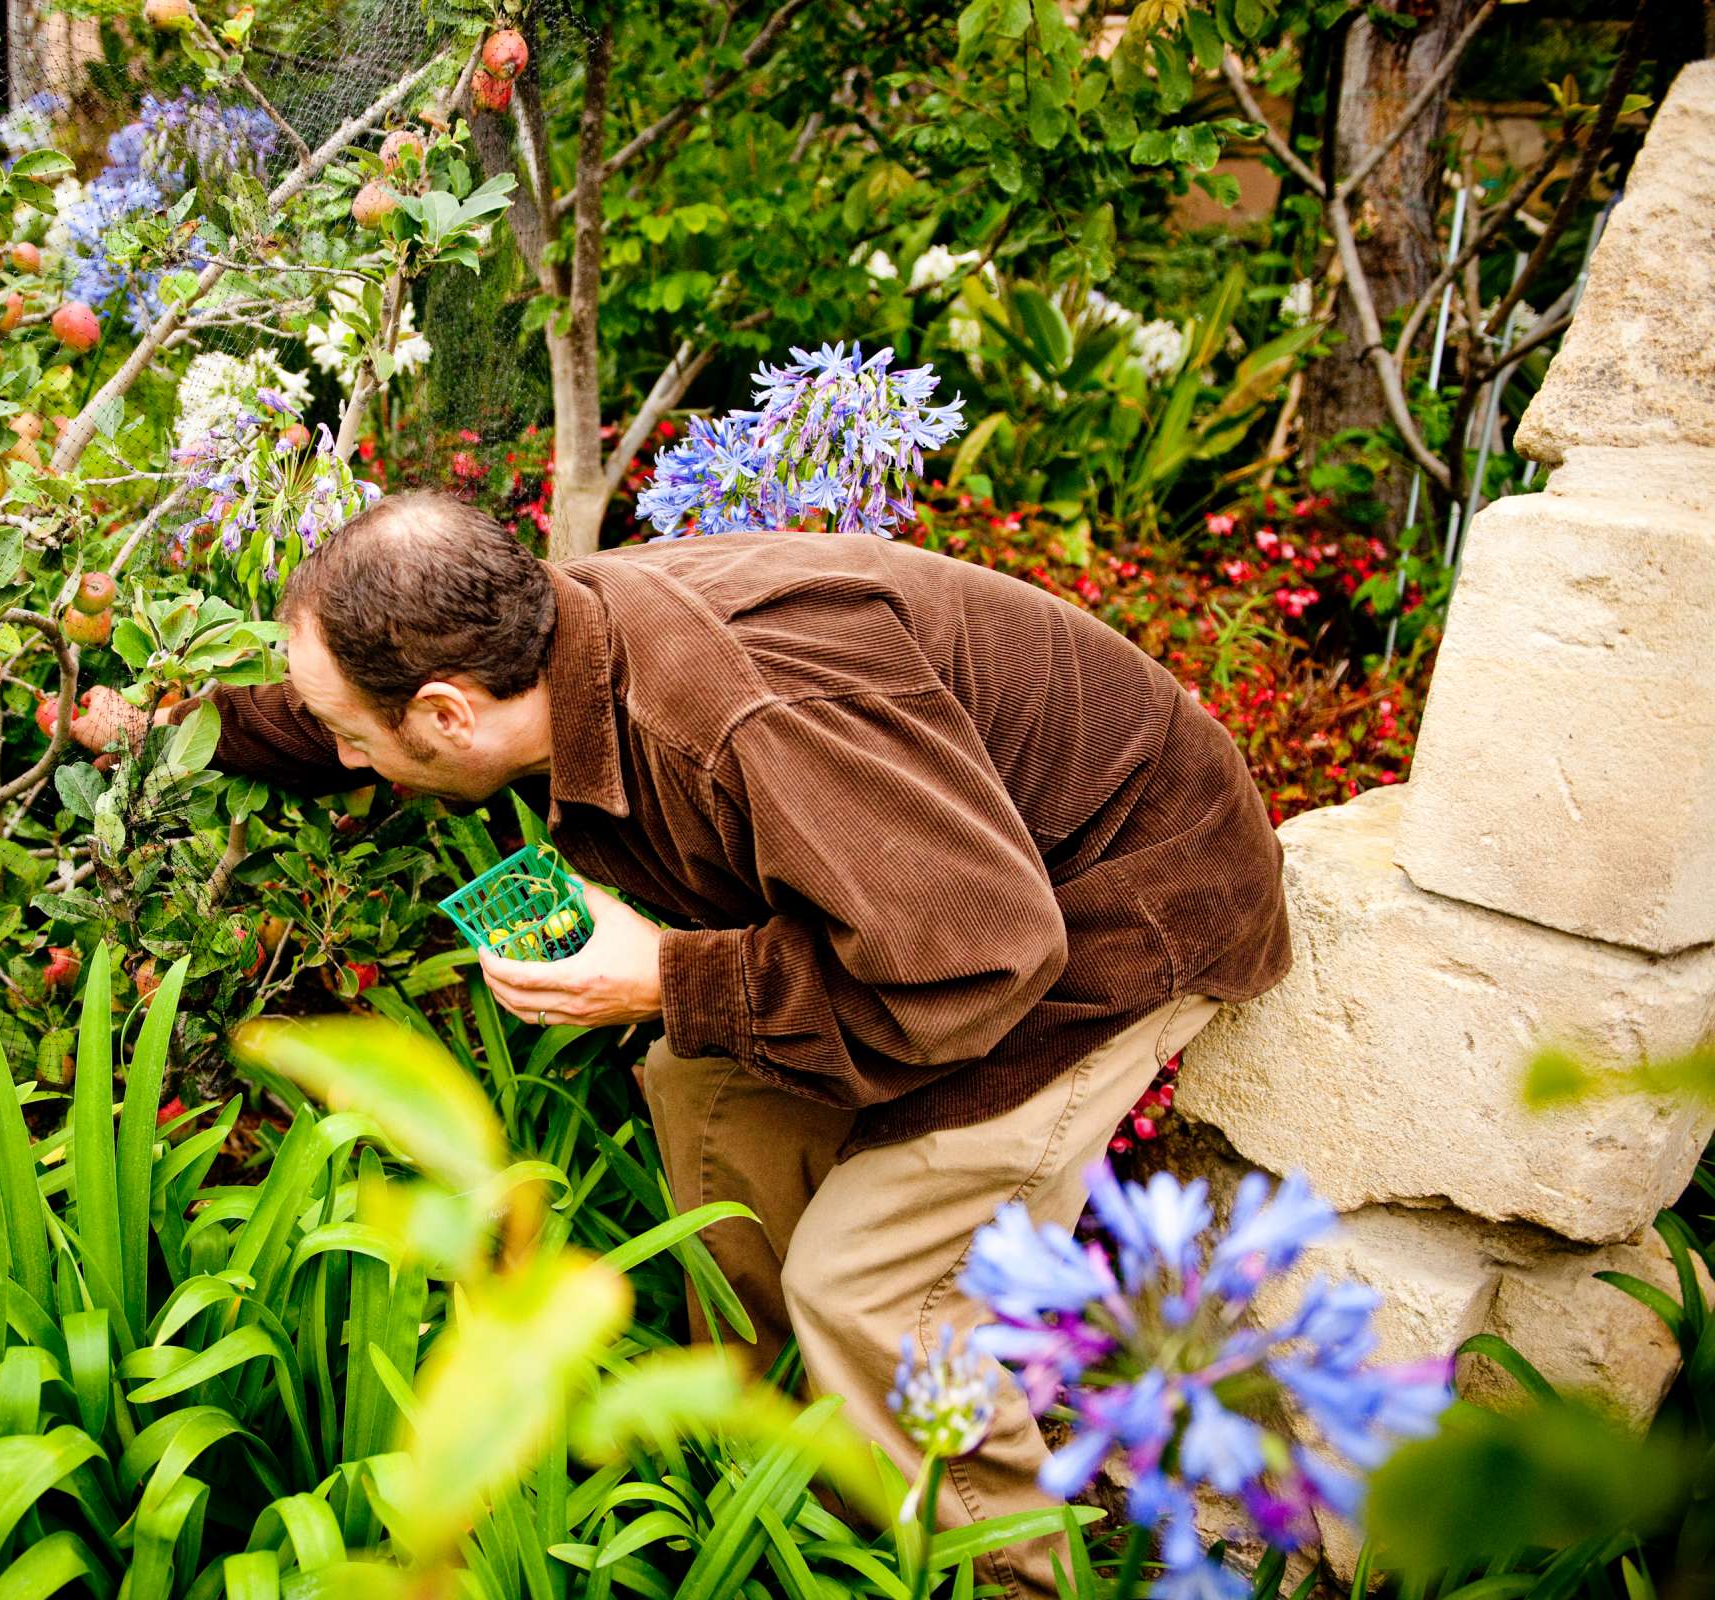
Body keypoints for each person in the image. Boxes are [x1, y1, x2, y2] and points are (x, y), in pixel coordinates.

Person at [187, 490, 1288, 1593]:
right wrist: (159, 719)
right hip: (943, 897)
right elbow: (335, 714)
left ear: (447, 715)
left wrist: (668, 974)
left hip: (1108, 916)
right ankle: (796, 1476)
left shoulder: (733, 715)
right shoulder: (551, 634)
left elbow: (977, 960)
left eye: (349, 733)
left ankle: (998, 1573)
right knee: (700, 1086)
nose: (340, 750)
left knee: (871, 1291)